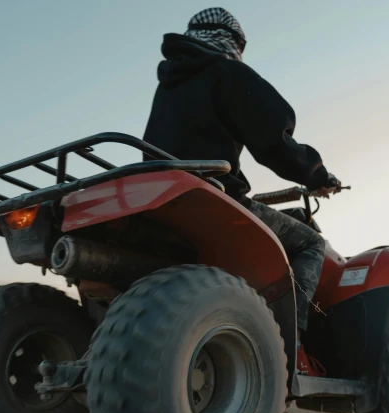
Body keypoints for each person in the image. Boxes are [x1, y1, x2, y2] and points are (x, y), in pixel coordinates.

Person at [142, 7, 340, 376]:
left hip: (158, 196)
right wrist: (316, 175)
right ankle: (289, 345)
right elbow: (273, 141)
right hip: (209, 196)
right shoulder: (225, 72)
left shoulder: (169, 83)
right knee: (310, 244)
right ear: (231, 41)